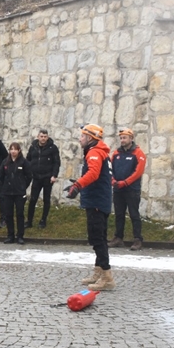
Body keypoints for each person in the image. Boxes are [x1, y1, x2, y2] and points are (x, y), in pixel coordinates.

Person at [65, 124, 115, 291]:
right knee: (98, 237)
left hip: (96, 202)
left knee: (97, 239)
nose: (80, 139)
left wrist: (78, 186)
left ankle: (106, 277)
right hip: (100, 200)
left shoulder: (94, 152)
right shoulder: (100, 152)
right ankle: (98, 272)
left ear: (90, 138)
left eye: (82, 136)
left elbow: (93, 174)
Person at [110, 128, 147, 251]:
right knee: (119, 214)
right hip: (118, 188)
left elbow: (138, 172)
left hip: (132, 189)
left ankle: (137, 239)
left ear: (131, 138)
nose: (122, 140)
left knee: (134, 214)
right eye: (121, 138)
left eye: (125, 137)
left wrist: (125, 182)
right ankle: (118, 237)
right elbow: (110, 168)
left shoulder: (138, 153)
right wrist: (113, 181)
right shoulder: (116, 153)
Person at [26, 129, 61, 230]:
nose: (43, 138)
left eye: (45, 137)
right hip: (36, 177)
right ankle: (29, 221)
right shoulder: (33, 147)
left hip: (47, 177)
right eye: (41, 136)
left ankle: (43, 220)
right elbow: (28, 160)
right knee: (33, 199)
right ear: (38, 137)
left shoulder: (53, 148)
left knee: (46, 200)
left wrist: (54, 175)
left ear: (48, 137)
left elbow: (56, 162)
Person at [0, 143, 32, 244]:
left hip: (19, 193)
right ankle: (10, 235)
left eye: (15, 149)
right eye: (11, 149)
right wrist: (5, 186)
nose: (13, 151)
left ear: (19, 151)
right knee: (8, 214)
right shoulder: (5, 162)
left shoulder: (24, 162)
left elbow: (29, 176)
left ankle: (20, 236)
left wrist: (22, 186)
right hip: (7, 192)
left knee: (19, 214)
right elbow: (1, 176)